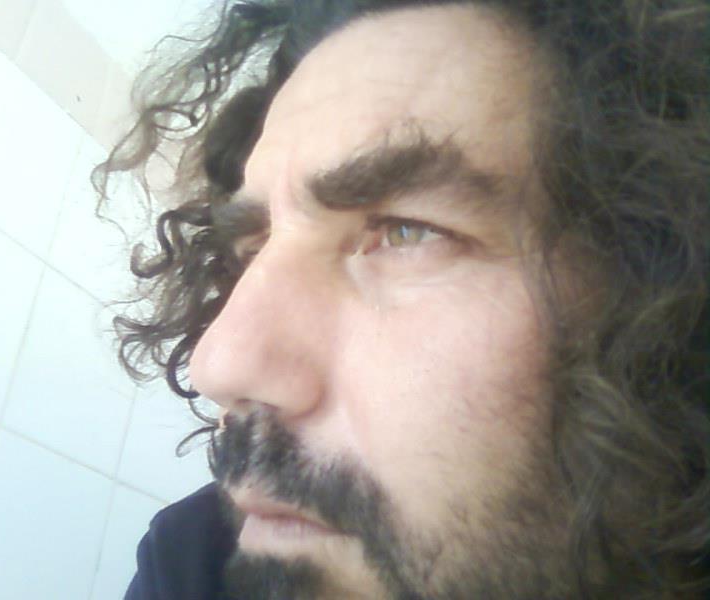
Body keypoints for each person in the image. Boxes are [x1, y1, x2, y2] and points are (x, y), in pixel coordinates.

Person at [94, 1, 710, 598]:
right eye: (253, 250)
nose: (218, 365)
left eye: (405, 232)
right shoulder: (189, 560)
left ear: (675, 301)